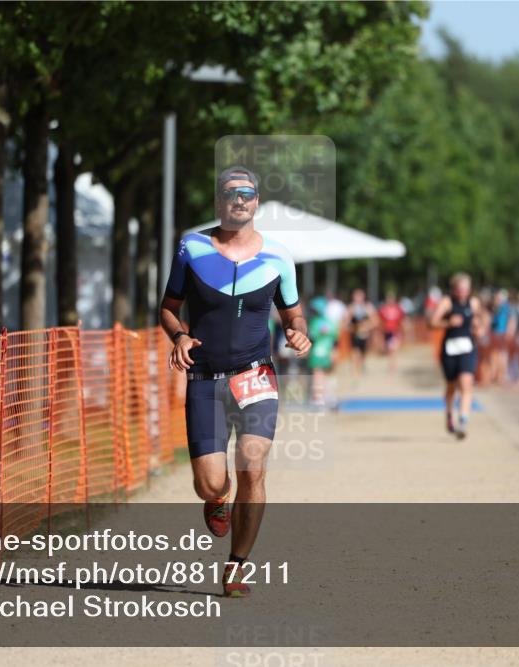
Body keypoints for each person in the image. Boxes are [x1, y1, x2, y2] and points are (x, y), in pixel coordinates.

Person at [159, 165, 311, 598]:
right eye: (231, 193)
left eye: (247, 193)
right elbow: (168, 308)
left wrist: (298, 331)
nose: (239, 199)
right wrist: (180, 336)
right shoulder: (191, 247)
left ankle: (237, 566)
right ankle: (217, 497)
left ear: (256, 202)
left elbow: (294, 314)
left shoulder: (279, 256)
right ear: (219, 201)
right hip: (205, 377)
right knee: (208, 483)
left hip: (255, 374)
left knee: (252, 464)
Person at [429, 273, 484, 439]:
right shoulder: (447, 302)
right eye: (459, 289)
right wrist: (448, 322)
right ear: (454, 289)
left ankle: (463, 421)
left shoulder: (474, 303)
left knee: (466, 383)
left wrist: (479, 328)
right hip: (450, 350)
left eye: (466, 289)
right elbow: (431, 323)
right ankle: (449, 414)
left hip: (467, 348)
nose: (462, 292)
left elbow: (481, 320)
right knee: (451, 386)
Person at [306, 296, 339, 409]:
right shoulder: (330, 322)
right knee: (326, 375)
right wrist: (334, 352)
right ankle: (327, 397)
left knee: (317, 375)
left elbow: (312, 338)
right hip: (328, 352)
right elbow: (335, 339)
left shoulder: (315, 322)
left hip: (317, 352)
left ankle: (317, 398)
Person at [346, 288, 378, 375]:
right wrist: (353, 327)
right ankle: (355, 371)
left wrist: (366, 326)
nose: (357, 298)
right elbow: (346, 323)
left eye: (359, 296)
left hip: (364, 335)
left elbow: (375, 321)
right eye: (356, 296)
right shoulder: (351, 308)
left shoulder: (368, 307)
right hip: (354, 335)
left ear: (363, 297)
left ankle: (361, 368)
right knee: (354, 352)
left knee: (362, 353)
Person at [378, 292, 405, 373]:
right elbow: (380, 321)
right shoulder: (383, 309)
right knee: (389, 350)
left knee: (392, 349)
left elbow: (402, 321)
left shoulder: (398, 309)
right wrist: (380, 333)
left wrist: (401, 333)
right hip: (386, 332)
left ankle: (392, 367)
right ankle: (391, 365)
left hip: (395, 332)